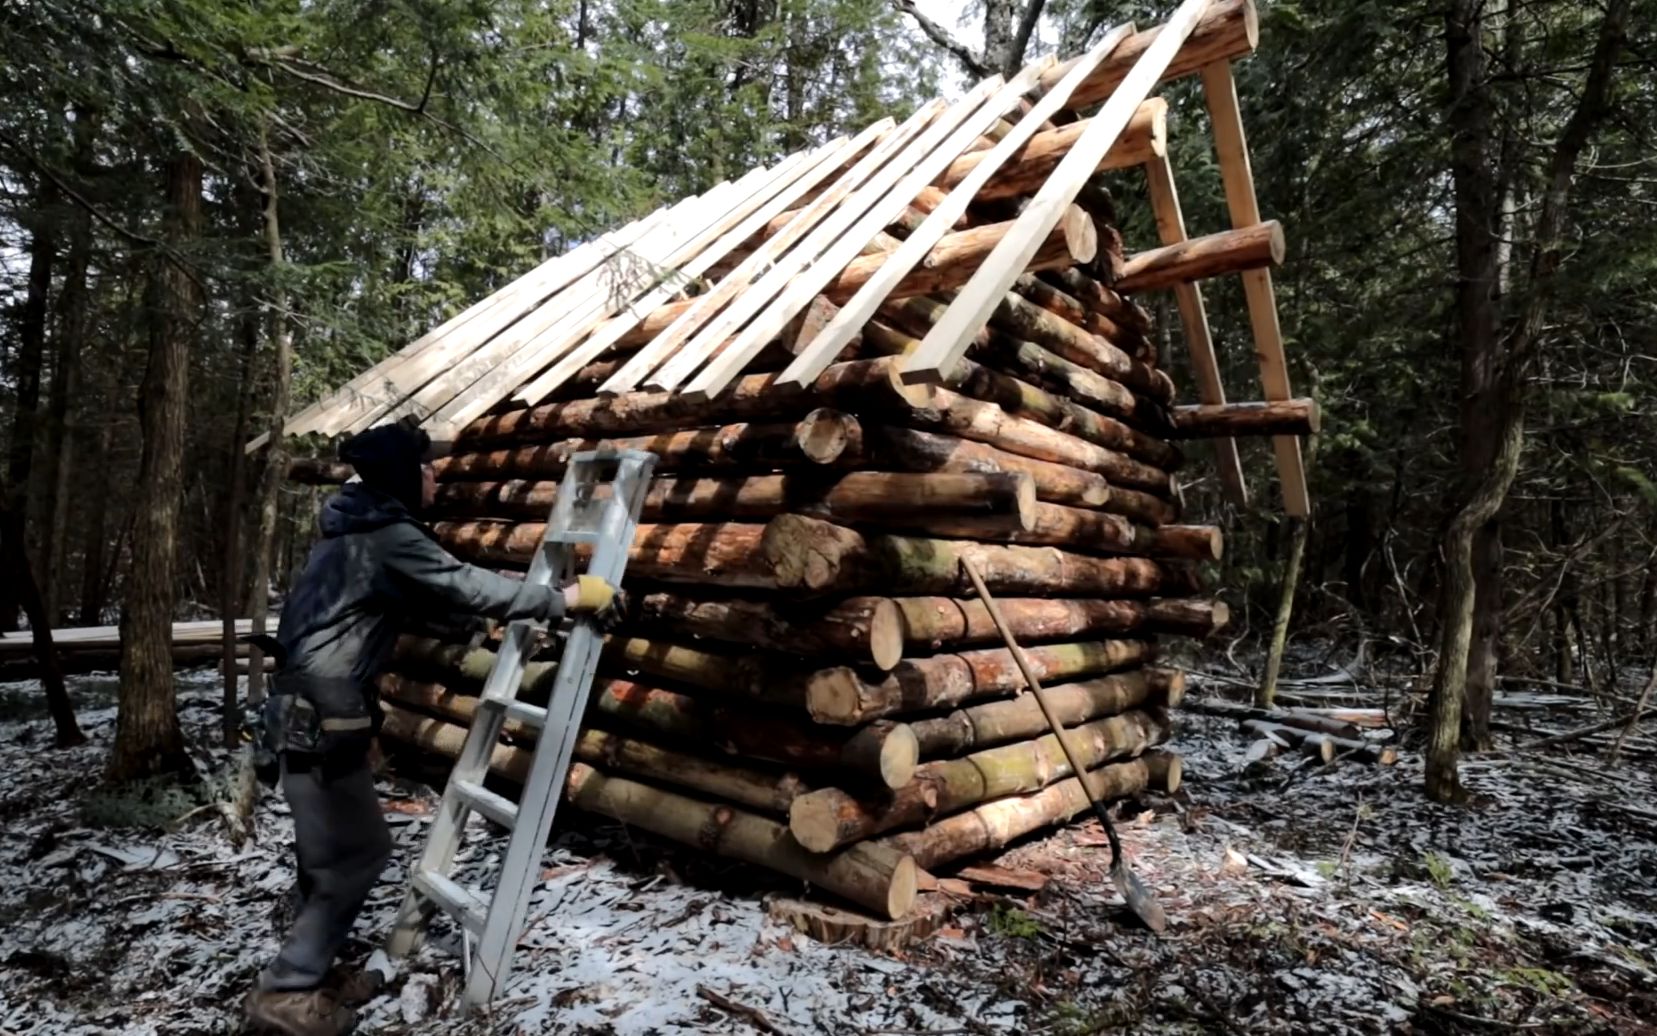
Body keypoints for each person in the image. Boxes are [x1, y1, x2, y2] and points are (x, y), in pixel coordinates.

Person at [244, 420, 622, 1036]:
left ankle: (310, 973)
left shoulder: (350, 529)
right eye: (424, 466)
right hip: (320, 717)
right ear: (399, 473)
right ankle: (284, 995)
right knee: (359, 854)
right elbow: (463, 584)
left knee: (325, 858)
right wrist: (567, 597)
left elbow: (406, 600)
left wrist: (461, 624)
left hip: (298, 717)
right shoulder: (386, 536)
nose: (435, 474)